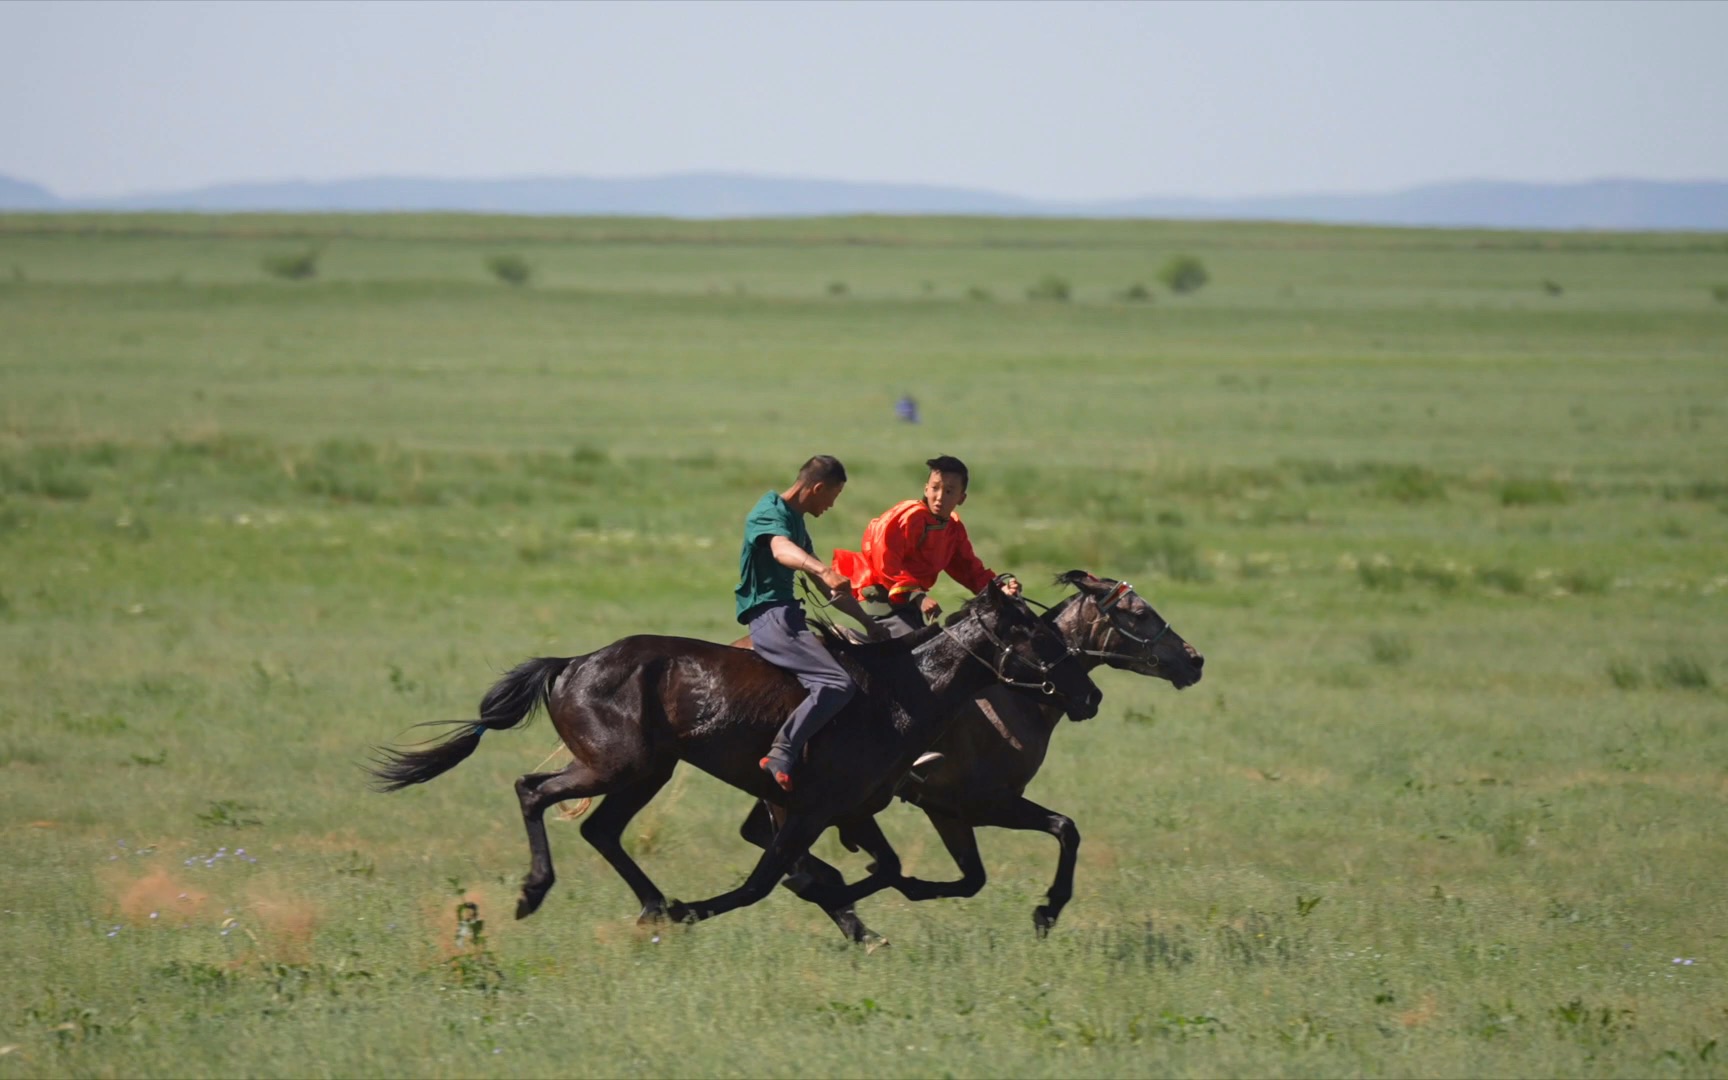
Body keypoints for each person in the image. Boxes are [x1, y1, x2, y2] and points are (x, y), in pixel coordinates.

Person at [736, 454, 884, 792]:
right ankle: (781, 753)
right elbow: (780, 550)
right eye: (833, 496)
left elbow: (825, 586)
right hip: (770, 618)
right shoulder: (769, 512)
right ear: (817, 488)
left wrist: (867, 622)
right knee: (836, 684)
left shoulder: (796, 522)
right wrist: (821, 569)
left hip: (789, 614)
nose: (832, 505)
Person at [832, 454, 1021, 640]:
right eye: (935, 488)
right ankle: (850, 641)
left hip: (911, 605)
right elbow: (887, 562)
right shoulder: (907, 516)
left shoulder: (953, 529)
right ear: (926, 489)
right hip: (886, 599)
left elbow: (970, 569)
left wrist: (1000, 590)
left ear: (961, 498)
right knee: (910, 656)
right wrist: (918, 597)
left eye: (948, 491)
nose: (939, 497)